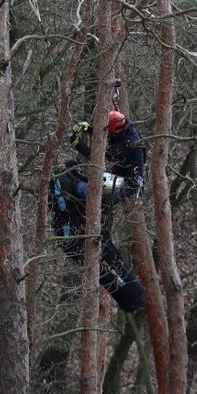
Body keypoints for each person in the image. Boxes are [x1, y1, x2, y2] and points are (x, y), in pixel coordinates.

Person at [49, 112, 146, 313]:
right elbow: (108, 141)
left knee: (84, 187)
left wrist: (78, 144)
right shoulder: (126, 130)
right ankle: (79, 198)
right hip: (120, 181)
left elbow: (104, 154)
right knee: (73, 172)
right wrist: (90, 128)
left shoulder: (130, 142)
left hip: (124, 187)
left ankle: (79, 196)